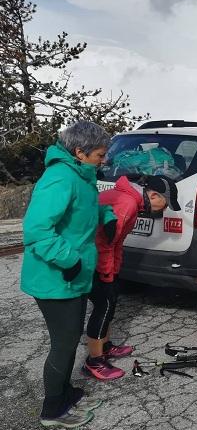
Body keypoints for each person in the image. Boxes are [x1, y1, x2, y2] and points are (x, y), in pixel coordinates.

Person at [20, 121, 116, 428]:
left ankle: (64, 392)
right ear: (80, 152)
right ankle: (52, 410)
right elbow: (36, 230)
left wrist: (108, 216)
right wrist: (69, 260)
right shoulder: (60, 178)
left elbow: (87, 208)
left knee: (71, 338)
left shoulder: (81, 175)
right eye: (100, 155)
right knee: (63, 343)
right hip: (56, 276)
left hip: (74, 275)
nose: (105, 160)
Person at [83, 174, 180, 380]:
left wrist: (114, 270)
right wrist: (107, 274)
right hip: (88, 259)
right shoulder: (127, 204)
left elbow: (117, 242)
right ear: (153, 195)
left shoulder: (132, 201)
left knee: (111, 300)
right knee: (104, 305)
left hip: (98, 258)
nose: (165, 209)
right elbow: (104, 244)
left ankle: (105, 347)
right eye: (166, 204)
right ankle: (94, 362)